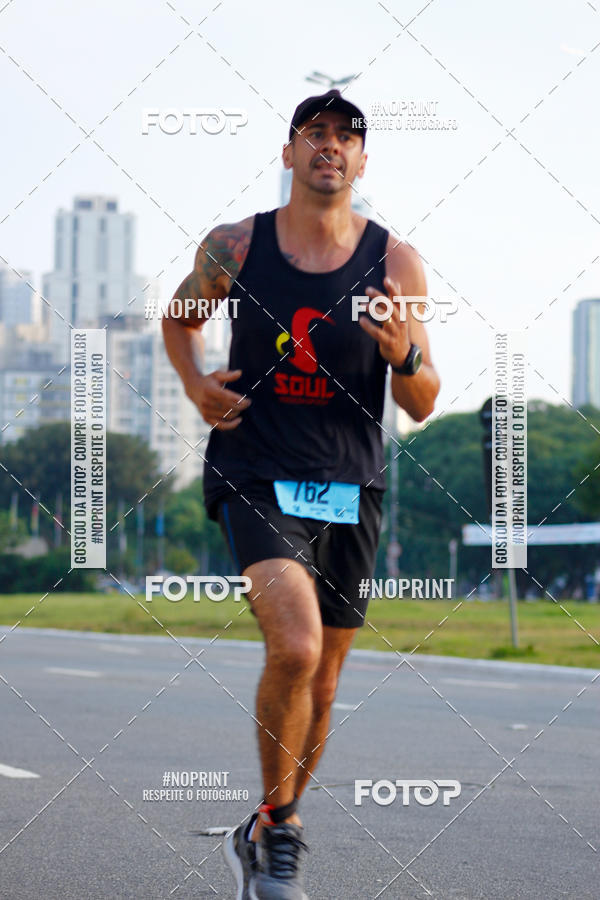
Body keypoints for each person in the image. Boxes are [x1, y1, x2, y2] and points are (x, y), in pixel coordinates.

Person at [162, 88, 440, 900]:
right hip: (256, 468)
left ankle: (268, 826)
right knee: (297, 647)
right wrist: (193, 384)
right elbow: (180, 317)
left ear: (362, 161)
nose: (330, 146)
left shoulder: (396, 263)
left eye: (346, 137)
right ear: (288, 154)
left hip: (352, 482)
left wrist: (405, 355)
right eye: (313, 134)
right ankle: (280, 835)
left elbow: (422, 402)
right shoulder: (237, 246)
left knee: (322, 688)